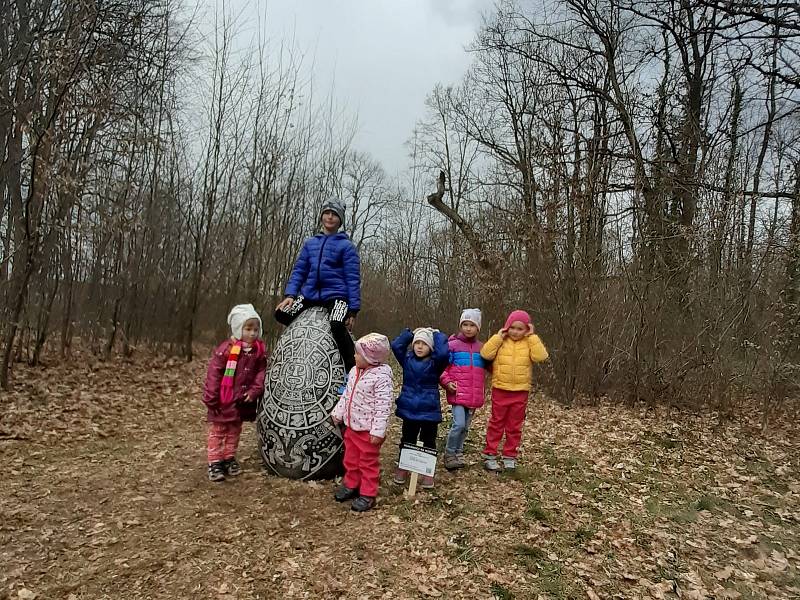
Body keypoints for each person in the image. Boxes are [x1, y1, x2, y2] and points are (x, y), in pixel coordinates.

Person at [274, 197, 360, 372]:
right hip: (310, 294)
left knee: (336, 324)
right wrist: (290, 295)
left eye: (334, 214)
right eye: (327, 213)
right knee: (281, 314)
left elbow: (353, 279)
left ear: (340, 220)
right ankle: (296, 353)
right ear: (321, 216)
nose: (330, 217)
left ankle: (351, 366)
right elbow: (299, 271)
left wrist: (353, 310)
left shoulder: (347, 247)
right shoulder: (310, 244)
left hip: (337, 296)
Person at [202, 304, 269, 482]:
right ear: (239, 329)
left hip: (242, 401)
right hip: (223, 400)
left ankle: (229, 457)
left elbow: (261, 373)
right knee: (218, 431)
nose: (252, 333)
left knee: (234, 431)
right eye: (248, 329)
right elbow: (214, 374)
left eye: (256, 329)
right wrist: (211, 397)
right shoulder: (227, 350)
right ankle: (214, 461)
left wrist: (256, 390)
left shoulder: (258, 352)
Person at [331, 333, 393, 512]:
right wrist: (338, 413)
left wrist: (378, 431)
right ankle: (351, 484)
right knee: (350, 459)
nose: (354, 356)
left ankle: (368, 493)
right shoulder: (354, 371)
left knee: (367, 463)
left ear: (370, 358)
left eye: (358, 354)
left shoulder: (381, 378)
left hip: (368, 431)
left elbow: (383, 406)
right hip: (352, 427)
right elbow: (347, 395)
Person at [479, 309, 548, 472]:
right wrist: (498, 337)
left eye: (520, 329)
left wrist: (532, 337)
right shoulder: (501, 341)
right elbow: (485, 353)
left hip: (520, 391)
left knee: (514, 426)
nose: (516, 332)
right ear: (507, 327)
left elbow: (541, 356)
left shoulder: (529, 342)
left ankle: (509, 455)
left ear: (527, 329)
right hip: (500, 389)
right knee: (497, 423)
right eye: (513, 328)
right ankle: (490, 454)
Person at [390, 327, 449, 489]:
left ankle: (427, 472)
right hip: (409, 409)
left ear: (430, 347)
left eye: (424, 344)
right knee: (407, 438)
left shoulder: (435, 363)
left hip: (429, 410)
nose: (420, 347)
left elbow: (444, 353)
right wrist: (410, 334)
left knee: (428, 440)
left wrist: (437, 334)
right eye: (417, 343)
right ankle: (403, 467)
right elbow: (396, 346)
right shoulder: (407, 359)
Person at [440, 309, 488, 471]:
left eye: (472, 325)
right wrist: (447, 382)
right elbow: (442, 368)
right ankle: (449, 452)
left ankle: (459, 452)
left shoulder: (482, 348)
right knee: (458, 424)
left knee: (466, 427)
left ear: (478, 328)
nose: (468, 328)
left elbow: (491, 367)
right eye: (465, 325)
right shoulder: (452, 345)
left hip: (473, 395)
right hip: (458, 393)